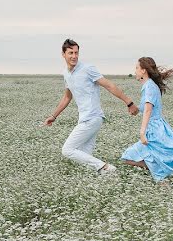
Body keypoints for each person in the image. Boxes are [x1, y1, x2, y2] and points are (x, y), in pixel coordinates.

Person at [44, 39, 139, 174]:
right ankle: (106, 176)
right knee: (84, 160)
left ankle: (105, 167)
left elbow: (108, 85)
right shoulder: (66, 73)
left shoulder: (88, 69)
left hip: (93, 117)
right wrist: (53, 116)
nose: (74, 56)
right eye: (70, 53)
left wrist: (129, 102)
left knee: (67, 150)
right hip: (84, 118)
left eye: (76, 53)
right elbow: (67, 97)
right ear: (63, 54)